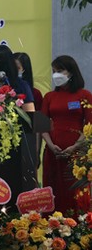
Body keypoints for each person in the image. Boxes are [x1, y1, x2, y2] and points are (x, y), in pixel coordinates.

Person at [41, 55, 92, 215]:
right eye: (54, 71)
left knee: (74, 193)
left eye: (60, 70)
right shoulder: (49, 96)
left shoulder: (85, 95)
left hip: (77, 154)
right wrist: (50, 144)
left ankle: (78, 231)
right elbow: (40, 126)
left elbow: (90, 126)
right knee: (52, 190)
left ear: (70, 72)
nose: (56, 74)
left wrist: (75, 146)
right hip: (53, 152)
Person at [0, 45, 35, 203]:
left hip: (15, 144)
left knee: (13, 182)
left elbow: (30, 117)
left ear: (4, 63)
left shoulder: (21, 85)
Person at [14, 51, 45, 191]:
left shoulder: (36, 94)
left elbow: (38, 125)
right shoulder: (4, 91)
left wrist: (36, 151)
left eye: (17, 67)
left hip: (27, 144)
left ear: (24, 69)